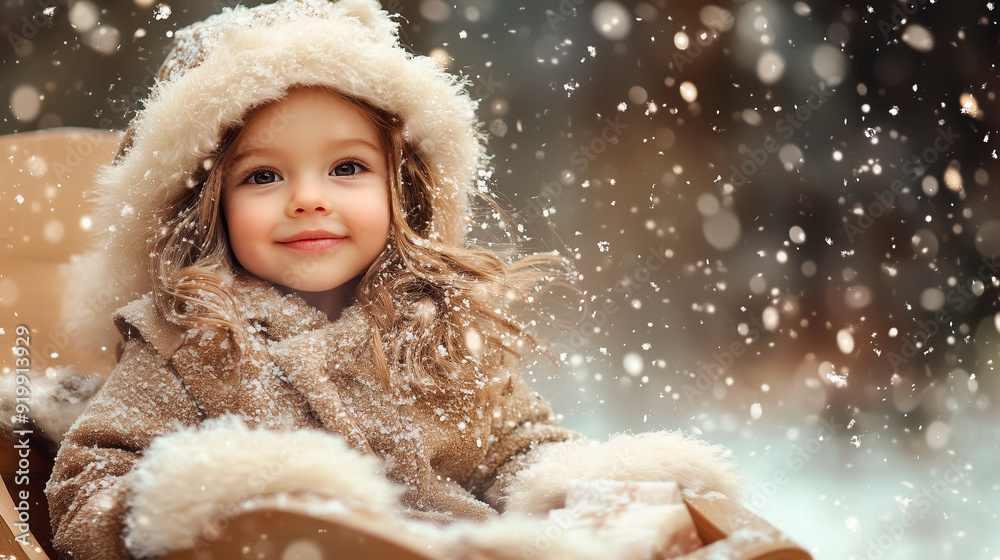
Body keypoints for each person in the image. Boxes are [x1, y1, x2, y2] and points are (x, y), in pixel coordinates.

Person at [45, 1, 741, 558]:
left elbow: (512, 446)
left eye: (346, 168)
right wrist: (231, 509)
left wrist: (564, 489)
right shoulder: (182, 342)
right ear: (211, 210)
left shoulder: (434, 326)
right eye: (263, 176)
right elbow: (89, 490)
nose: (309, 198)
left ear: (400, 191)